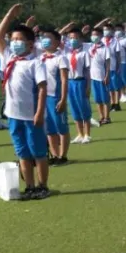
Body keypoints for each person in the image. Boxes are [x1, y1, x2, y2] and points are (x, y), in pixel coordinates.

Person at [0, 4, 50, 200]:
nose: (15, 43)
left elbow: (43, 88)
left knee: (39, 152)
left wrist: (40, 112)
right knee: (22, 153)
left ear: (30, 44)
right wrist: (9, 15)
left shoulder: (35, 63)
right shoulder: (9, 58)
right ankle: (30, 186)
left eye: (20, 40)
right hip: (13, 115)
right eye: (14, 39)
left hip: (31, 115)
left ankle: (43, 186)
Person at [38, 29, 71, 165]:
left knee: (61, 127)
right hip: (43, 97)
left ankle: (63, 155)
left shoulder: (60, 58)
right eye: (44, 37)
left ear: (57, 42)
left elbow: (64, 79)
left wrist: (63, 99)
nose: (45, 40)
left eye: (49, 38)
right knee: (49, 129)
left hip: (55, 97)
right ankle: (55, 155)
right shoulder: (40, 58)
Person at [60, 27, 93, 145]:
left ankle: (87, 134)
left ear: (80, 39)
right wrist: (66, 28)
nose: (73, 40)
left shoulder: (84, 53)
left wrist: (88, 86)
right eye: (71, 38)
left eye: (75, 38)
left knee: (83, 108)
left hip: (80, 81)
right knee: (74, 108)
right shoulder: (67, 52)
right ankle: (79, 134)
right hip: (70, 81)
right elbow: (57, 40)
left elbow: (87, 71)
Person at [87, 29, 112, 127]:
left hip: (101, 76)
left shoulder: (105, 48)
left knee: (105, 98)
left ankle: (107, 117)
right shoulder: (90, 47)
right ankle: (101, 117)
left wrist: (107, 75)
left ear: (101, 36)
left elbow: (108, 63)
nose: (94, 36)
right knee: (97, 99)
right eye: (92, 35)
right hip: (93, 77)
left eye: (96, 35)